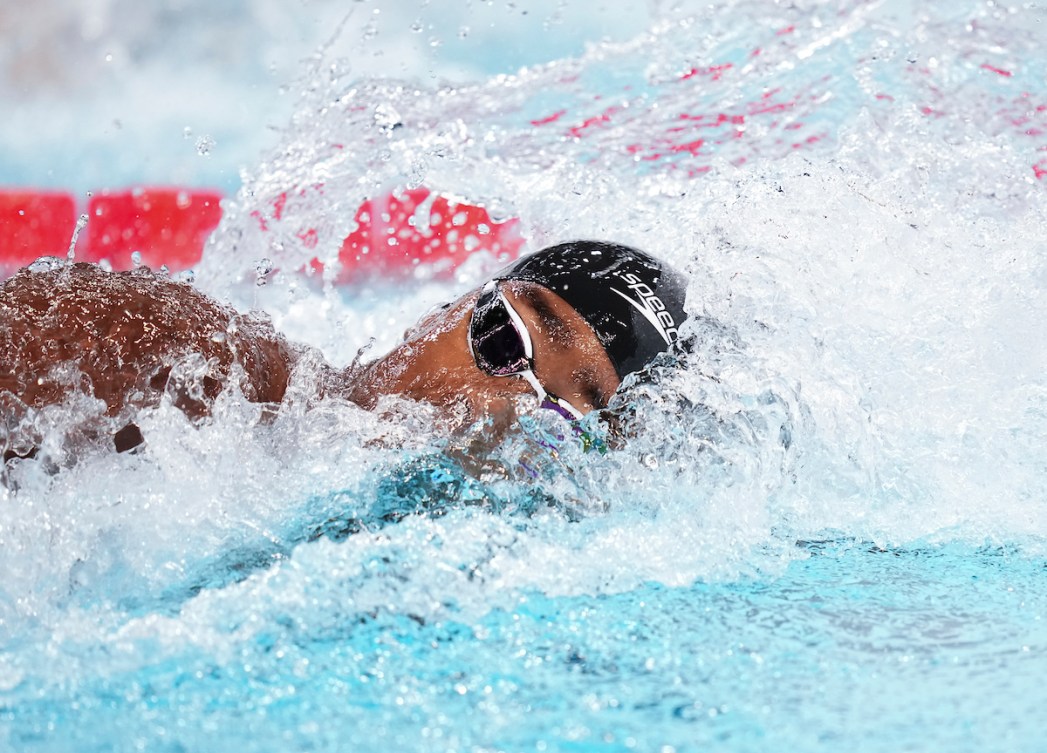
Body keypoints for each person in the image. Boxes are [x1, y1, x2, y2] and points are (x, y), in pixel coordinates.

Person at [0, 240, 687, 461]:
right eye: (502, 338)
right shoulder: (204, 361)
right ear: (446, 310)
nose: (494, 402)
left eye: (557, 413)